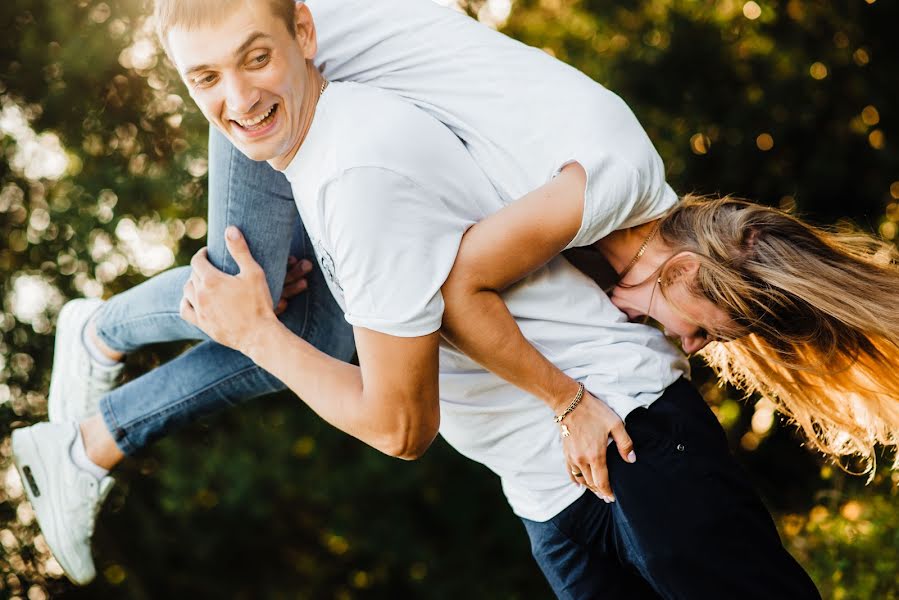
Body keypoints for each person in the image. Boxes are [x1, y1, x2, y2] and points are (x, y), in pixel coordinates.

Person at [9, 0, 826, 597]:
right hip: (549, 488)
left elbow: (406, 412)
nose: (233, 96)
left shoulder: (368, 170)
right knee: (266, 299)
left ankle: (95, 400)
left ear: (301, 35)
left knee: (267, 307)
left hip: (625, 433)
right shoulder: (344, 142)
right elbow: (450, 287)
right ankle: (96, 382)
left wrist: (259, 335)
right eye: (205, 79)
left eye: (253, 61)